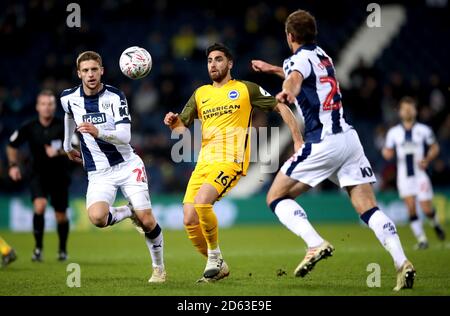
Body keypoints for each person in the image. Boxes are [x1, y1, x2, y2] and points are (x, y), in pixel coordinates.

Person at [251, 9, 415, 291]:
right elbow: (301, 72)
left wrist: (288, 89)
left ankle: (314, 244)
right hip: (349, 141)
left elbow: (296, 77)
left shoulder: (296, 62)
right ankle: (402, 262)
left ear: (289, 36)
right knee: (368, 208)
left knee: (275, 196)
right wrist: (273, 70)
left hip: (323, 141)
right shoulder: (324, 56)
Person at [164, 43, 302, 283]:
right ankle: (219, 265)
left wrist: (297, 139)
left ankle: (215, 258)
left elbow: (281, 107)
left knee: (202, 202)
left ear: (229, 64)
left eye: (218, 59)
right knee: (188, 219)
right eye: (209, 61)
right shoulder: (200, 94)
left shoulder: (245, 89)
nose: (213, 64)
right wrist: (173, 121)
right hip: (204, 162)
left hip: (232, 160)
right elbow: (180, 128)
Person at [61, 51, 165, 283]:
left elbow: (126, 136)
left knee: (147, 220)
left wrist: (99, 132)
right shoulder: (68, 98)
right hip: (99, 173)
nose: (90, 74)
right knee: (97, 218)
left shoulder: (115, 97)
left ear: (102, 71)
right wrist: (68, 144)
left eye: (94, 70)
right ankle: (129, 211)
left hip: (127, 166)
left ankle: (158, 268)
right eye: (85, 70)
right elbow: (68, 116)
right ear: (79, 73)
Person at [7, 90, 71, 262]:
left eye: (50, 104)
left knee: (61, 216)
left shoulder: (64, 126)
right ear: (37, 107)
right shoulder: (29, 127)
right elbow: (12, 145)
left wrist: (58, 151)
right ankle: (38, 249)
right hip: (38, 175)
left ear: (54, 106)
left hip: (59, 176)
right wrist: (13, 166)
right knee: (40, 206)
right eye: (43, 104)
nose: (47, 107)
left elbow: (77, 149)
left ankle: (62, 250)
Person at [382, 96, 445, 249]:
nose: (408, 111)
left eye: (410, 108)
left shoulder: (423, 130)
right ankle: (422, 239)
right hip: (404, 176)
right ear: (400, 112)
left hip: (420, 175)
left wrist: (428, 158)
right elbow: (387, 151)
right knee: (410, 207)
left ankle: (435, 223)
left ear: (415, 111)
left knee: (426, 208)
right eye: (405, 108)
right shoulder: (394, 132)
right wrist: (386, 153)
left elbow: (434, 147)